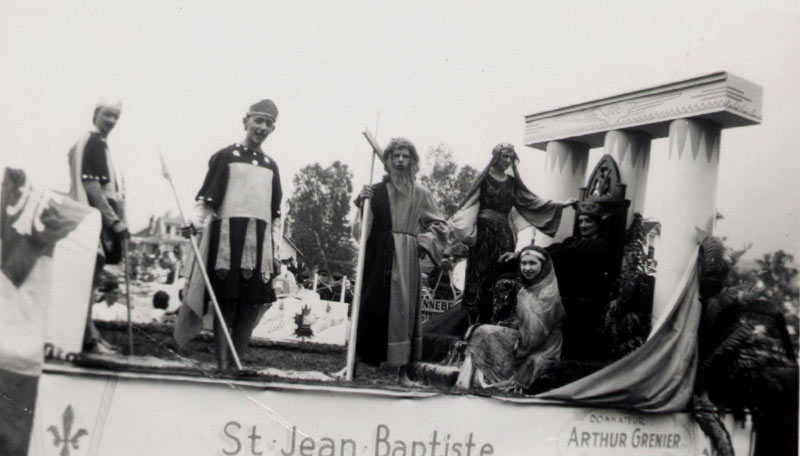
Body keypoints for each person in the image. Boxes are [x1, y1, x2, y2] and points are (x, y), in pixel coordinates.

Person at [177, 99, 282, 369]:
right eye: (258, 120)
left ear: (273, 128)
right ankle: (223, 360)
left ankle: (238, 360)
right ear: (245, 121)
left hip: (259, 241)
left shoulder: (271, 166)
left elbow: (276, 214)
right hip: (227, 238)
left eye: (268, 123)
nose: (262, 127)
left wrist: (276, 250)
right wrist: (195, 222)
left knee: (251, 305)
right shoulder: (225, 157)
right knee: (228, 302)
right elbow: (208, 201)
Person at [351, 137, 448, 383]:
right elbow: (360, 231)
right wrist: (363, 204)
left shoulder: (422, 193)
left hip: (405, 257)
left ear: (413, 161)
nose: (401, 161)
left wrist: (422, 244)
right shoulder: (376, 190)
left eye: (406, 156)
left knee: (403, 313)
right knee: (367, 307)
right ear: (389, 160)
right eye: (397, 156)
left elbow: (440, 225)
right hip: (376, 256)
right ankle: (351, 367)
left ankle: (402, 373)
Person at [448, 143, 576, 324]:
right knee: (479, 274)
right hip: (484, 233)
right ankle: (473, 322)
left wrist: (560, 205)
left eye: (510, 157)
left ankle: (497, 318)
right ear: (496, 157)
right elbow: (468, 202)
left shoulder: (513, 183)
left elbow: (531, 201)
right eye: (504, 157)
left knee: (501, 271)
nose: (508, 161)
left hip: (504, 234)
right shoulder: (484, 178)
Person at [456, 245, 564, 393]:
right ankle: (469, 384)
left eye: (532, 263)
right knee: (482, 331)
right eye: (523, 263)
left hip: (542, 348)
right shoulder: (525, 291)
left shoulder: (548, 294)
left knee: (489, 335)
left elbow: (537, 336)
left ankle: (487, 384)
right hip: (523, 341)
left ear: (543, 266)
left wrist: (514, 346)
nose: (527, 268)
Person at [67, 99, 128, 353]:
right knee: (87, 280)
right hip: (94, 218)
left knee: (91, 281)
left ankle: (89, 333)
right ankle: (85, 337)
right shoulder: (93, 142)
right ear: (96, 114)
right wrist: (113, 220)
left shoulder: (99, 144)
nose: (112, 121)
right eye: (107, 115)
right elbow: (92, 186)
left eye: (116, 116)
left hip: (96, 217)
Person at [545, 202, 615, 361]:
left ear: (598, 224)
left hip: (585, 302)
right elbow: (552, 251)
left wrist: (553, 255)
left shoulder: (600, 246)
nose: (583, 225)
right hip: (565, 297)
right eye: (581, 221)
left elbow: (563, 255)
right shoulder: (572, 241)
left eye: (588, 221)